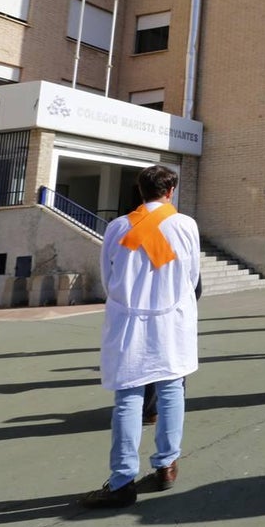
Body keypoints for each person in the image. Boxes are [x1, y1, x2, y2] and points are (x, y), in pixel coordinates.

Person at [80, 164, 201, 509]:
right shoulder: (185, 225)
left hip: (129, 321)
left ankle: (121, 481)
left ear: (139, 190)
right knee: (171, 389)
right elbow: (192, 274)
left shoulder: (117, 227)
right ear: (170, 191)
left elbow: (108, 277)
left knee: (129, 399)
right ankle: (166, 465)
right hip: (172, 319)